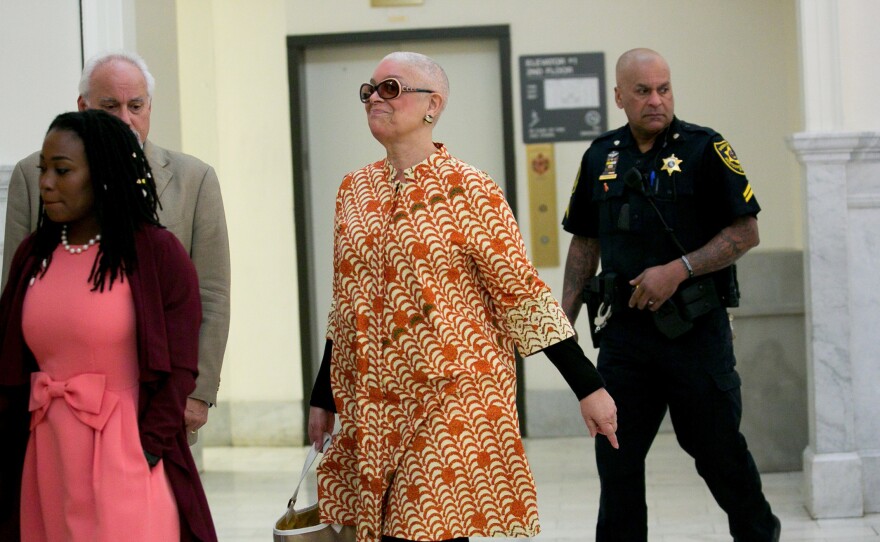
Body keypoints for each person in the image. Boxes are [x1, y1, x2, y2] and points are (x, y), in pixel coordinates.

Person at [306, 51, 618, 542]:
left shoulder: (470, 189)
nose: (374, 98)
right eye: (369, 90)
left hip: (452, 396)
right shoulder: (354, 190)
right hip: (374, 401)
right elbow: (347, 305)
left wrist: (588, 385)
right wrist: (323, 396)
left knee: (427, 527)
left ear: (433, 105)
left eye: (391, 88)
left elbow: (522, 296)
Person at [561, 48, 780, 541]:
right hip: (624, 339)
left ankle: (759, 534)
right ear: (620, 96)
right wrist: (561, 323)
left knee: (718, 454)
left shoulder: (705, 148)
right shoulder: (600, 156)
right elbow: (585, 244)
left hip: (694, 335)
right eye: (643, 91)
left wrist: (679, 270)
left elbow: (746, 232)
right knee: (616, 460)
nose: (656, 100)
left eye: (664, 89)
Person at [0, 110, 216, 540]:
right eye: (44, 169)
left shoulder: (156, 253)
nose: (46, 183)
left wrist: (147, 448)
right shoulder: (33, 254)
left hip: (125, 452)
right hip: (45, 456)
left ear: (103, 174)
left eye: (62, 171)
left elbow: (180, 365)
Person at [1, 51, 230, 437]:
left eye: (135, 106)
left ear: (149, 106)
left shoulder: (194, 179)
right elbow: (15, 291)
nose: (125, 119)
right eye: (110, 106)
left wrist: (198, 391)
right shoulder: (34, 175)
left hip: (154, 393)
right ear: (83, 107)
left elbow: (212, 294)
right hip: (55, 398)